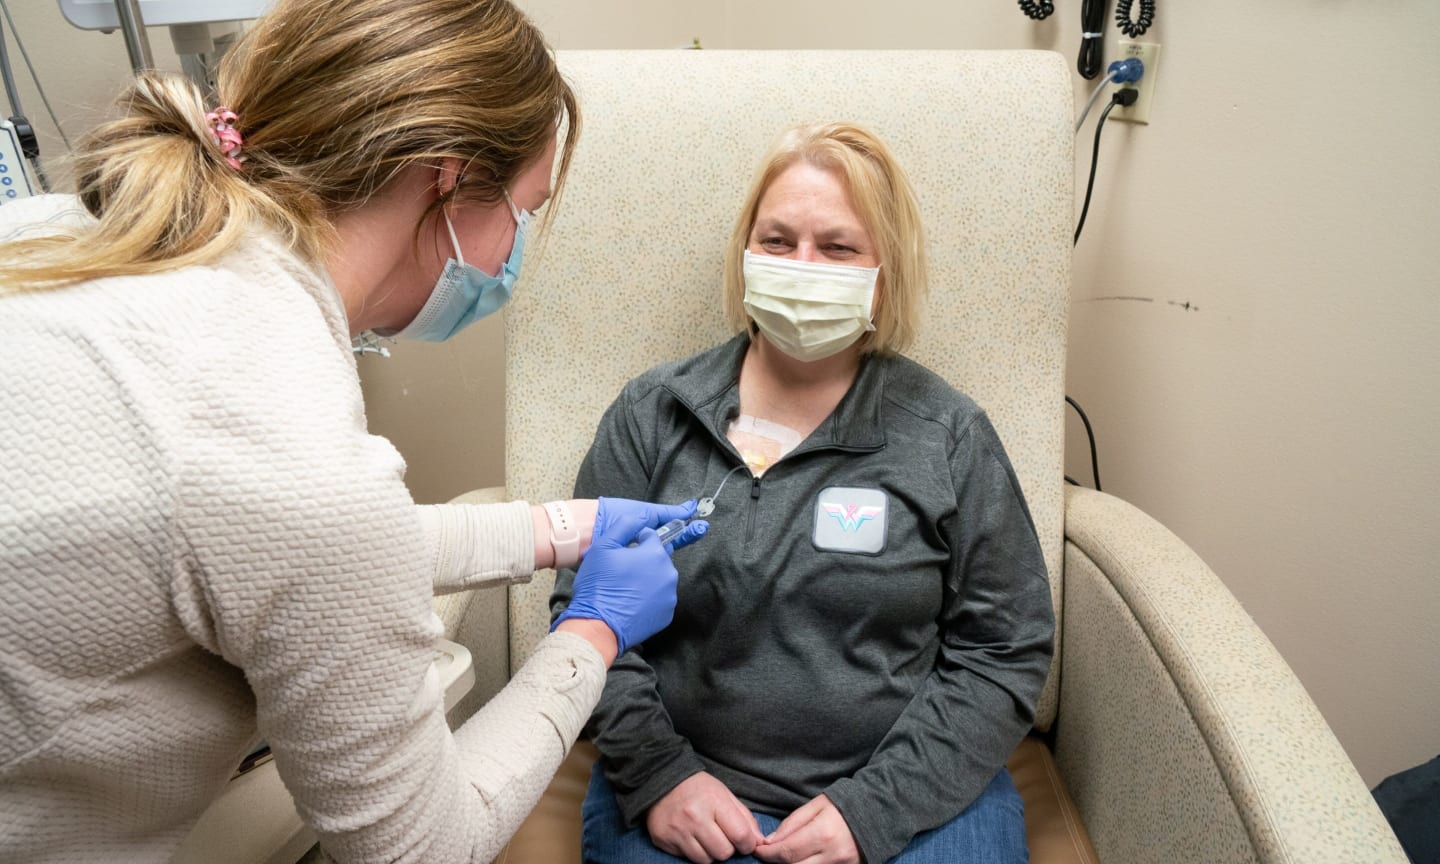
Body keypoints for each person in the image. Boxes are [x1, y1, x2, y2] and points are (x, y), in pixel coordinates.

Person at [0, 1, 706, 861]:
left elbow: (253, 547)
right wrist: (592, 632)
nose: (512, 252)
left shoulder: (54, 234)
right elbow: (422, 846)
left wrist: (561, 529)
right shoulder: (287, 444)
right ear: (445, 178)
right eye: (524, 211)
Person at [551, 122, 1055, 864]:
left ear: (885, 271)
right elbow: (585, 614)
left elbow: (1005, 649)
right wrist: (659, 775)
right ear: (745, 254)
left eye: (839, 247)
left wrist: (876, 809)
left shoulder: (946, 435)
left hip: (913, 796)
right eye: (778, 242)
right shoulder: (652, 415)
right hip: (689, 791)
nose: (803, 266)